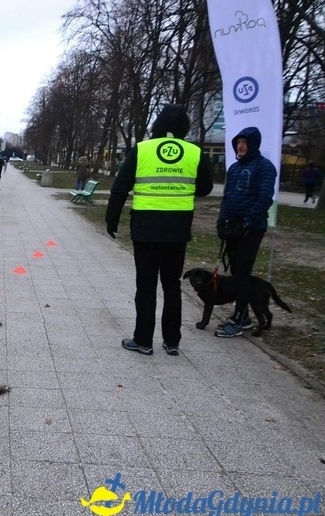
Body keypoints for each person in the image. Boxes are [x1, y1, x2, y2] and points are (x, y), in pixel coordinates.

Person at [105, 104, 213, 356]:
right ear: (184, 127)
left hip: (145, 229)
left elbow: (120, 187)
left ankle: (143, 341)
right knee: (172, 286)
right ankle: (172, 341)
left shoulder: (141, 150)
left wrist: (112, 220)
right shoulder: (195, 152)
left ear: (158, 125)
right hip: (177, 230)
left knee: (146, 287)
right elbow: (206, 188)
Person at [214, 127, 276, 338]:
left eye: (245, 142)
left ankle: (240, 318)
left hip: (251, 228)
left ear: (253, 144)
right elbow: (227, 197)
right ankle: (244, 315)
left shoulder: (264, 167)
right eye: (238, 142)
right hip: (232, 226)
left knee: (242, 273)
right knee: (236, 272)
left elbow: (265, 198)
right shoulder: (233, 168)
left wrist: (247, 222)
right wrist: (222, 222)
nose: (240, 146)